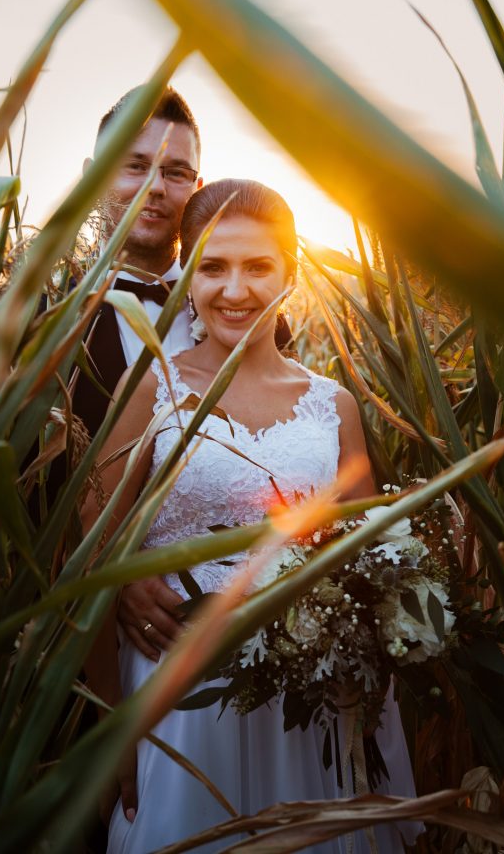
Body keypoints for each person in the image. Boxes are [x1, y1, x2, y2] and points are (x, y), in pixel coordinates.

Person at [82, 179, 419, 854]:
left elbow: (372, 559)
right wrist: (111, 724)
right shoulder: (152, 389)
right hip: (184, 704)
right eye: (212, 266)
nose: (234, 289)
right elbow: (90, 560)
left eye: (257, 266)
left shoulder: (334, 406)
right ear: (188, 275)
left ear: (289, 273)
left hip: (318, 711)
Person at [70, 87, 292, 665]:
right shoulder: (42, 330)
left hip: (249, 647)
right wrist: (115, 579)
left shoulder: (255, 314)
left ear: (196, 186)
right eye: (135, 166)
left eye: (175, 172)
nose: (155, 188)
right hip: (88, 654)